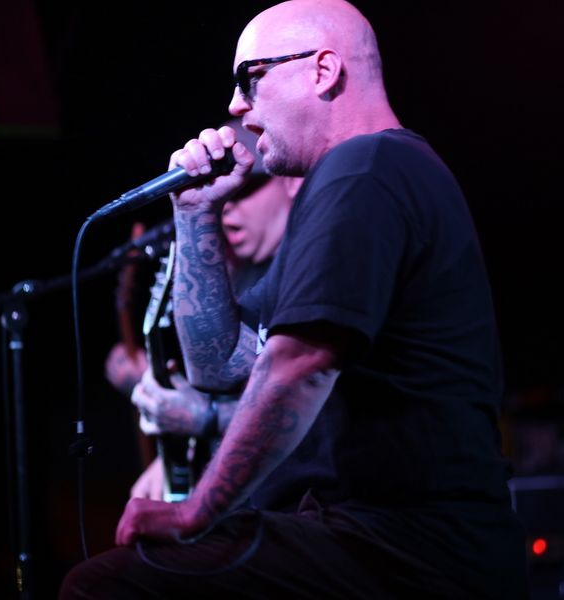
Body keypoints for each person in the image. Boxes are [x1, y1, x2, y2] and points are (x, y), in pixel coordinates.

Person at [62, 1, 527, 598]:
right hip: (371, 538)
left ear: (323, 70)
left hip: (405, 547)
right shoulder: (357, 179)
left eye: (250, 78)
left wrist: (195, 511)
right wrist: (195, 211)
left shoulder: (365, 168)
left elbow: (298, 363)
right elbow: (218, 365)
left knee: (101, 587)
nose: (236, 105)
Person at [103, 118, 301, 500]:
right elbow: (219, 380)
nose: (228, 205)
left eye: (244, 189)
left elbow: (309, 409)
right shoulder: (233, 272)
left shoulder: (310, 271)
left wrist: (203, 418)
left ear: (290, 182)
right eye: (222, 192)